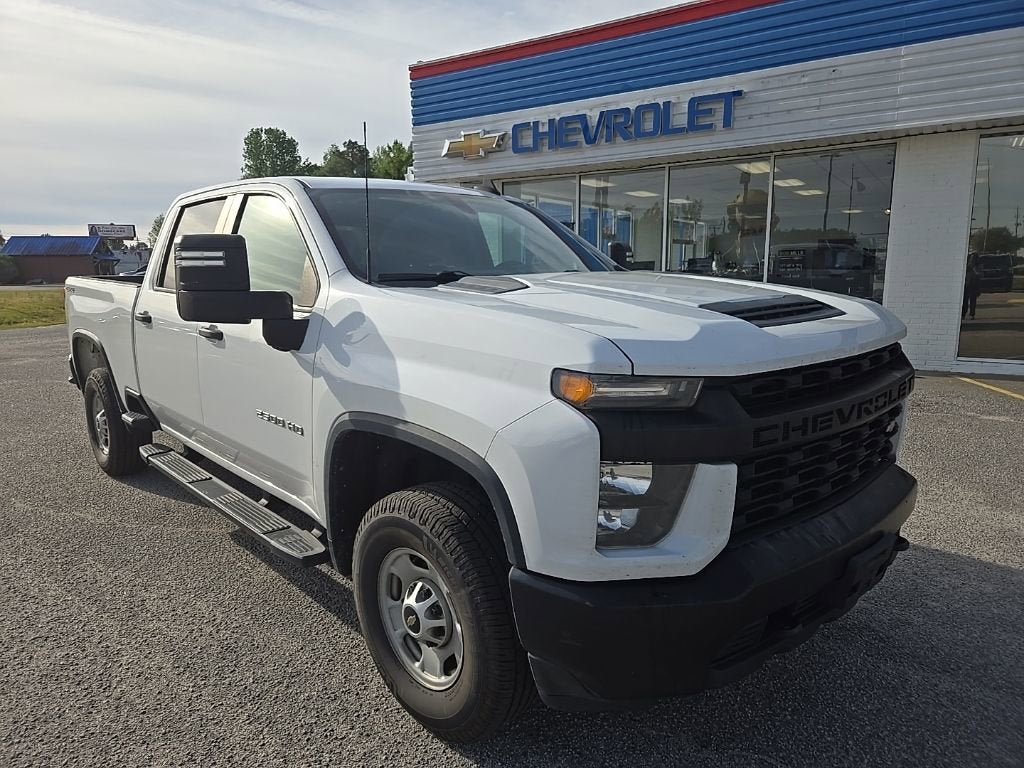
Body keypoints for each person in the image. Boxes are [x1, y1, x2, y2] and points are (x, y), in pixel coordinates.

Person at [962, 253, 981, 320]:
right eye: (971, 258)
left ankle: (972, 314)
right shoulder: (967, 267)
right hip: (967, 286)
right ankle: (963, 314)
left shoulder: (977, 267)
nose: (972, 260)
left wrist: (974, 268)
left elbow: (978, 274)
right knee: (965, 301)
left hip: (973, 286)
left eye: (973, 259)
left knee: (972, 301)